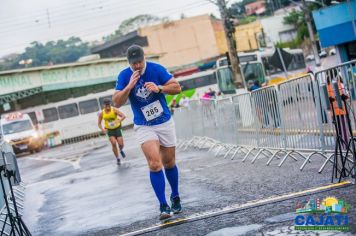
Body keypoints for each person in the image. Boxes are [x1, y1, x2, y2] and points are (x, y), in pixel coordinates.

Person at [113, 45, 182, 220]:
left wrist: (159, 88)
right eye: (133, 63)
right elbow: (117, 102)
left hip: (164, 121)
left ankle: (175, 195)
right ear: (128, 62)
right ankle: (163, 205)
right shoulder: (124, 75)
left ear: (144, 58)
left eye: (139, 62)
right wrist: (129, 86)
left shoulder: (156, 69)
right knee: (154, 164)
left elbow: (176, 87)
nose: (137, 66)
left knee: (169, 163)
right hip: (144, 125)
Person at [98, 98, 126, 165]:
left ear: (110, 104)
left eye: (108, 104)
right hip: (109, 130)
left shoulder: (114, 110)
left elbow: (123, 116)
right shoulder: (102, 113)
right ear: (104, 105)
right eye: (106, 104)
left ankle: (121, 149)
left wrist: (119, 120)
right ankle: (117, 158)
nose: (107, 106)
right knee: (113, 143)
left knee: (121, 144)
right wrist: (102, 129)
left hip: (117, 128)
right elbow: (99, 123)